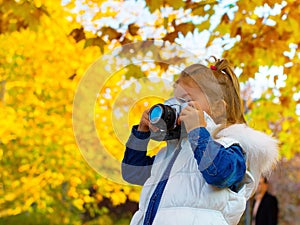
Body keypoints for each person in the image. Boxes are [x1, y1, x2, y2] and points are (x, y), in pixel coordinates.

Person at [121, 57, 279, 225]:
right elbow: (132, 173)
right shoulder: (169, 154)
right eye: (175, 101)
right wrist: (141, 133)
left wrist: (197, 131)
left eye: (186, 101)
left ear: (218, 109)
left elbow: (219, 174)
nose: (177, 108)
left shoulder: (230, 147)